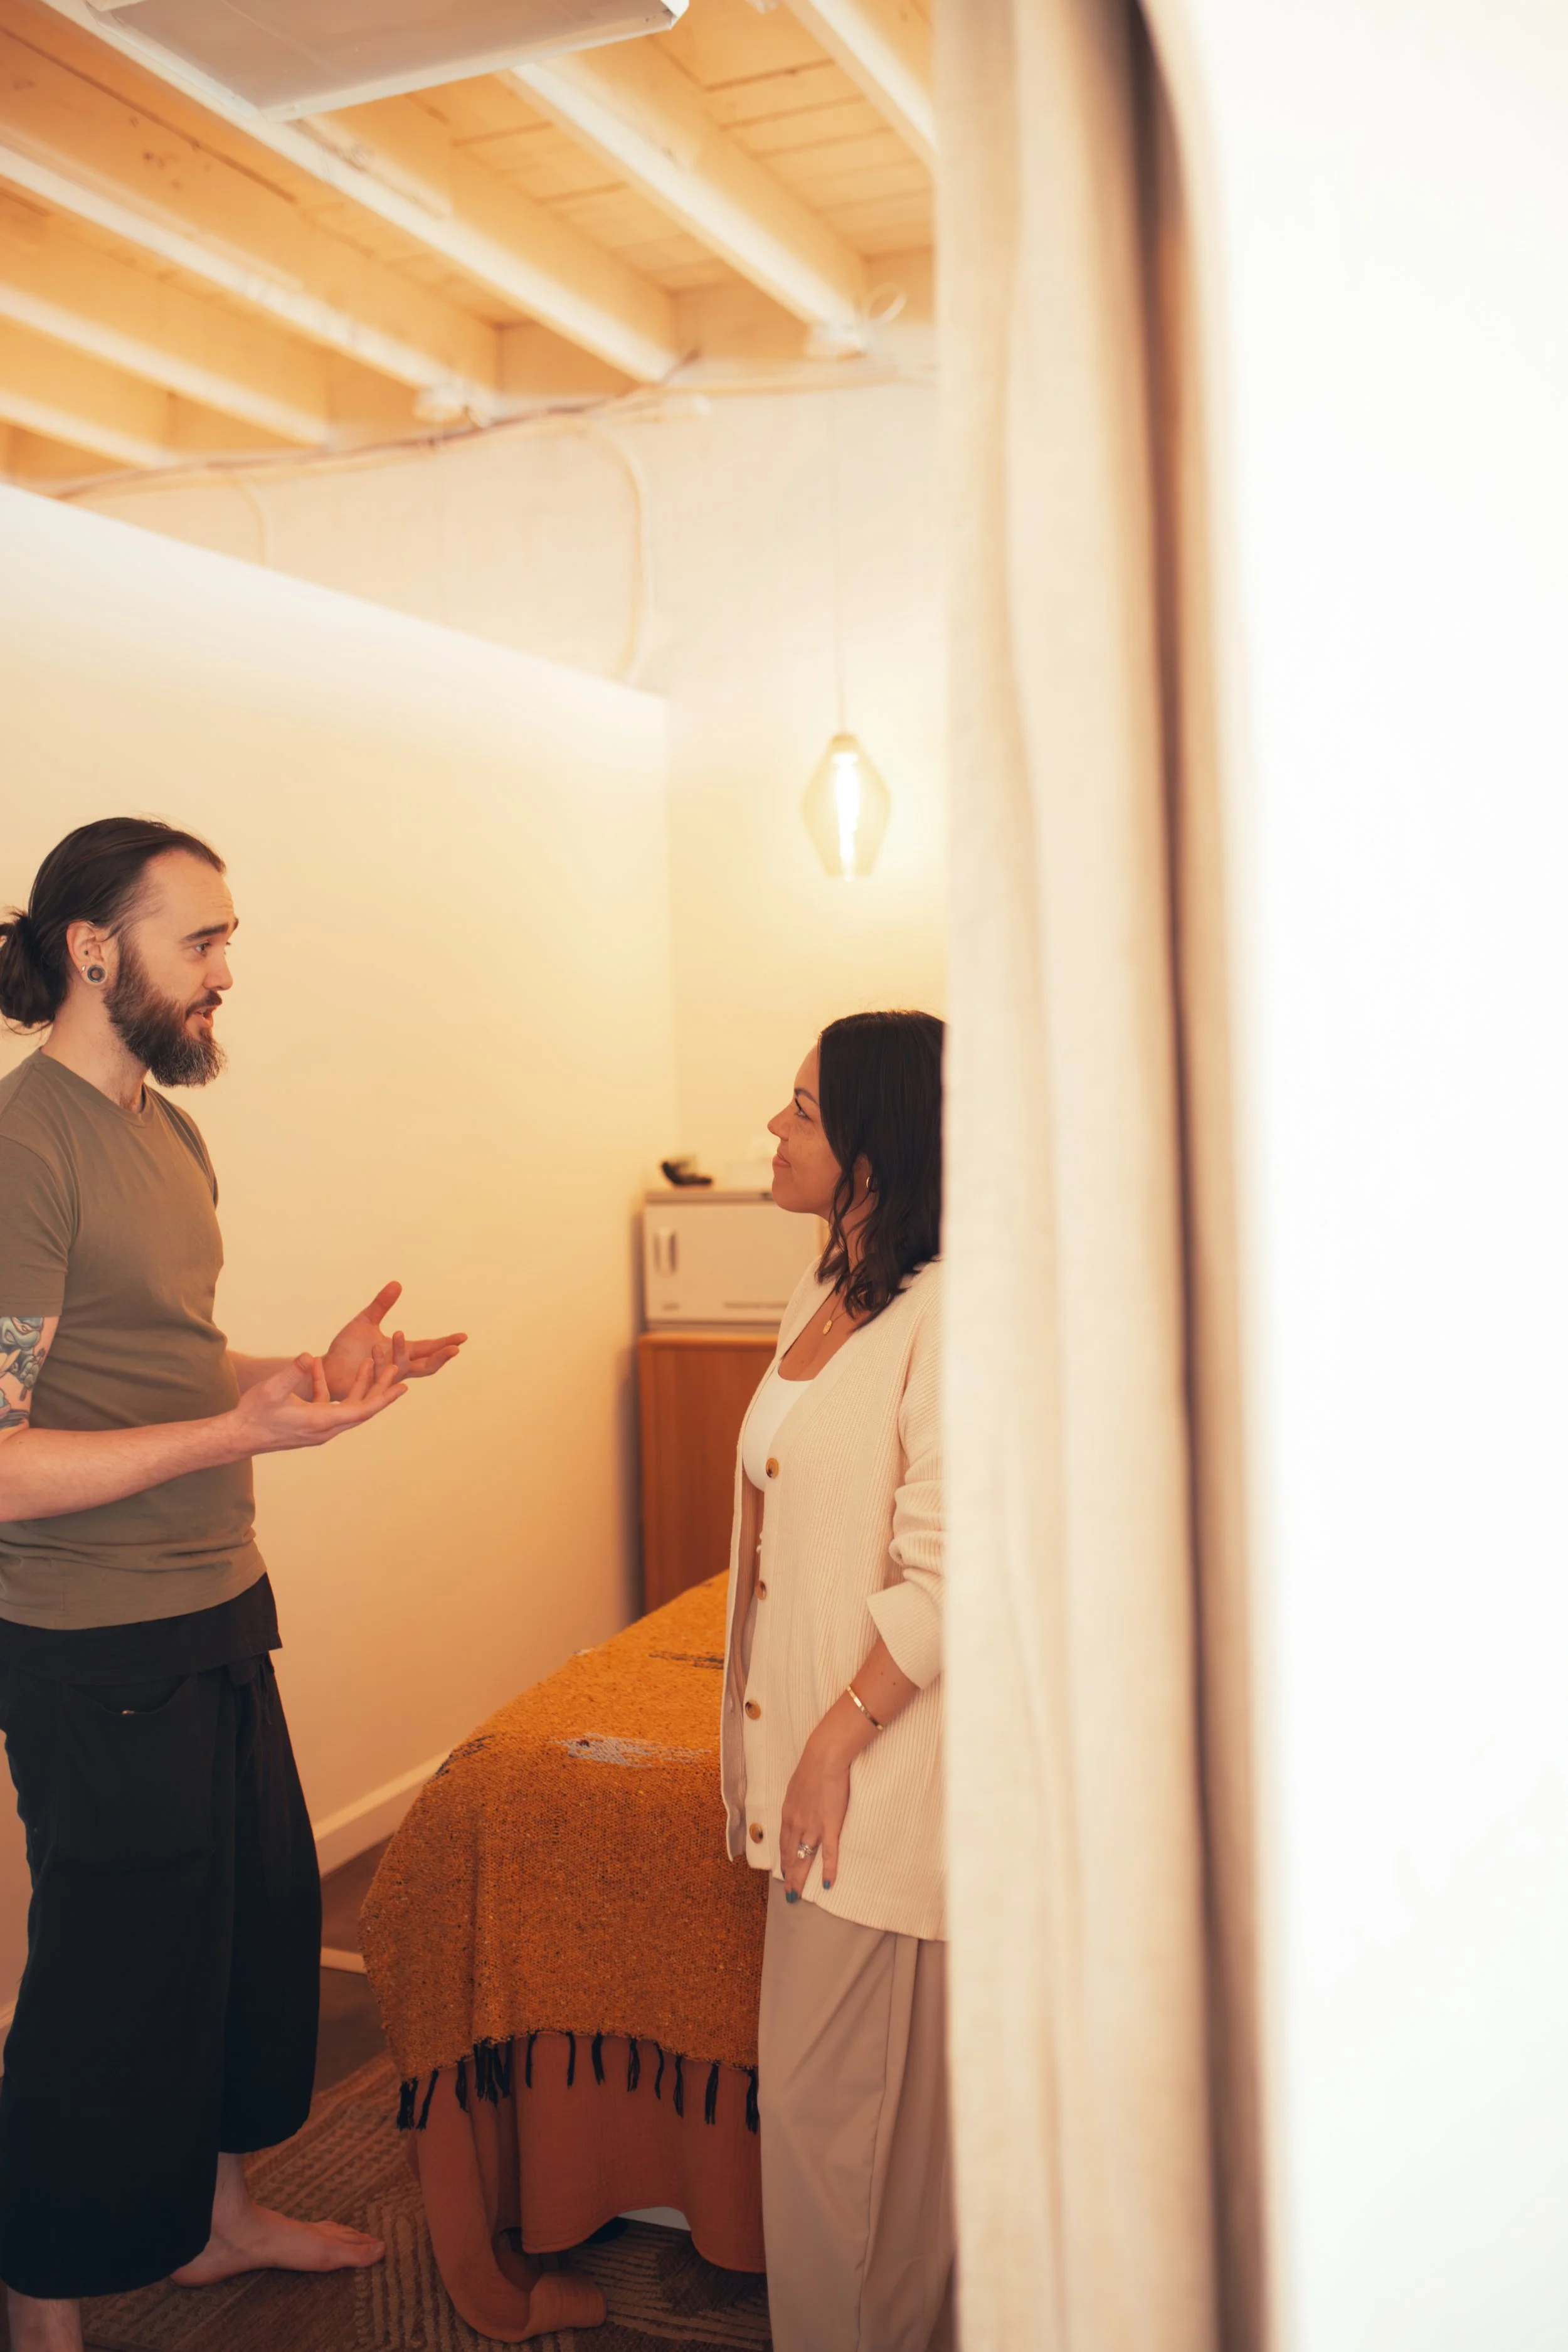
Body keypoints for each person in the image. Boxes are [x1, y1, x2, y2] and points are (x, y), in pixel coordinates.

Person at [0, 818, 470, 2352]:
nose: (225, 976)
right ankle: (42, 2308)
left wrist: (305, 1379)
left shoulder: (166, 1132)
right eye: (201, 942)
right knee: (109, 1981)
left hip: (214, 1600)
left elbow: (170, 1362)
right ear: (93, 949)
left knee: (247, 1936)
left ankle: (215, 2220)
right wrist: (236, 1426)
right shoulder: (25, 1145)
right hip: (88, 1634)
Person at [721, 1009, 951, 2352]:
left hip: (877, 1772)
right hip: (809, 1767)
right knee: (862, 2146)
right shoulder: (823, 1290)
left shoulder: (951, 1318)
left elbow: (951, 1573)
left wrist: (829, 1741)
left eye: (801, 1109)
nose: (773, 1125)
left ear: (872, 1146)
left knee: (833, 2136)